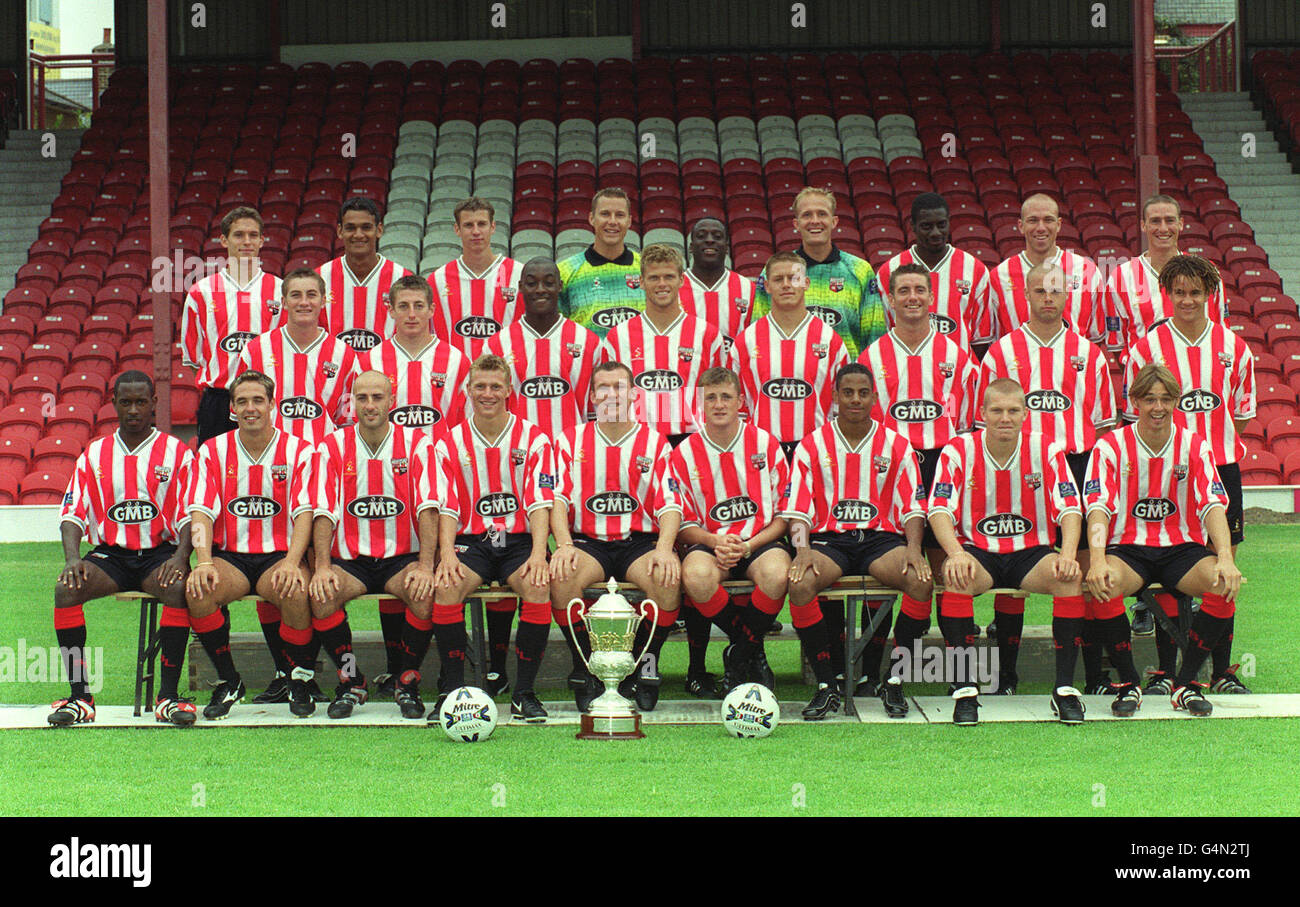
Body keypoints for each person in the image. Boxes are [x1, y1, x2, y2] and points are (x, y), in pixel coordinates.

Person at [976, 261, 1116, 693]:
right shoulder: (1002, 351)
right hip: (1019, 469)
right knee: (1009, 558)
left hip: (1075, 465)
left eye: (1057, 290)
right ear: (1027, 295)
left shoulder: (1089, 353)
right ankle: (1006, 676)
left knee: (1085, 567)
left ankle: (1093, 674)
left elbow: (1105, 424)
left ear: (1067, 294)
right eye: (1040, 291)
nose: (1049, 297)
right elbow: (984, 422)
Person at [1123, 255, 1255, 696]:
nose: (1187, 299)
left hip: (1220, 468)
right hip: (1165, 472)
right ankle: (1165, 670)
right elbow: (1133, 414)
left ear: (1209, 295)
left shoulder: (1235, 348)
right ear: (1168, 293)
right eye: (1179, 291)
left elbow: (1242, 417)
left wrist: (1210, 451)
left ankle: (1221, 671)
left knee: (1224, 566)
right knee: (1170, 563)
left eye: (1195, 292)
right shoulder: (1147, 348)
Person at [1084, 362, 1244, 717]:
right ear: (1135, 400)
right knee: (1103, 583)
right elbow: (1097, 507)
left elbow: (1213, 504)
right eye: (1150, 399)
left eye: (1166, 399)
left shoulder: (1194, 445)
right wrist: (1096, 559)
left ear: (1176, 401)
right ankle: (1128, 684)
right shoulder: (1111, 446)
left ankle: (1185, 684)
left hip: (1181, 549)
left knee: (1223, 583)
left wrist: (1224, 557)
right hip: (1129, 548)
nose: (1158, 407)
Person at [927, 379, 1089, 725]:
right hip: (978, 551)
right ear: (982, 413)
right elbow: (939, 509)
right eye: (997, 410)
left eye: (1013, 410)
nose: (1005, 418)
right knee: (957, 578)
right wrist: (955, 553)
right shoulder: (958, 450)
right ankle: (965, 690)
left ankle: (1064, 690)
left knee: (1068, 579)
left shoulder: (1046, 450)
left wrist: (1069, 555)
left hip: (1030, 552)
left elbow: (1071, 508)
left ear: (1025, 414)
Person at [783, 363, 932, 719]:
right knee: (800, 583)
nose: (855, 399)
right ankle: (826, 686)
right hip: (829, 541)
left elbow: (913, 507)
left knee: (920, 581)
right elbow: (797, 509)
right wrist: (802, 550)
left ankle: (893, 680)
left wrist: (913, 549)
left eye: (863, 393)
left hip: (880, 540)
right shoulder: (812, 445)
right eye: (848, 392)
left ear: (874, 398)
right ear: (834, 397)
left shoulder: (896, 444)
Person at [51, 371, 196, 726]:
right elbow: (72, 513)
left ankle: (168, 698)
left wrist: (180, 557)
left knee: (178, 587)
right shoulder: (94, 454)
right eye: (126, 402)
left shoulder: (175, 452)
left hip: (160, 554)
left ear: (153, 404)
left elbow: (194, 513)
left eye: (140, 402)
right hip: (111, 556)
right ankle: (80, 697)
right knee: (65, 589)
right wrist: (72, 559)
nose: (133, 409)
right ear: (114, 403)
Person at [858, 263, 978, 689]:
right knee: (894, 568)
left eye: (919, 290)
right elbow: (867, 427)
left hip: (942, 464)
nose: (912, 297)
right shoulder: (871, 358)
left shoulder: (956, 356)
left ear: (931, 297)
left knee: (947, 568)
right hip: (890, 469)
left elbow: (967, 425)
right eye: (903, 290)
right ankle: (873, 670)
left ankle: (955, 671)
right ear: (890, 299)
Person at [355, 274, 471, 695]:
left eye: (418, 306)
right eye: (402, 306)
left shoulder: (456, 360)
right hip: (389, 480)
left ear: (432, 310)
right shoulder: (370, 360)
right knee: (396, 562)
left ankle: (432, 667)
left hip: (442, 483)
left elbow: (462, 426)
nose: (411, 314)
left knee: (434, 574)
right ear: (389, 310)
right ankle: (395, 664)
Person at [183, 369, 318, 718]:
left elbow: (305, 513)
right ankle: (230, 682)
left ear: (273, 405)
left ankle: (298, 677)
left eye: (258, 400)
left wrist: (292, 562)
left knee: (296, 589)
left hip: (279, 554)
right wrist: (204, 561)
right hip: (232, 558)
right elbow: (200, 511)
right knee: (198, 591)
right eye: (242, 401)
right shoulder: (213, 451)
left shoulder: (298, 450)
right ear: (232, 408)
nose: (250, 408)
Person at [550, 361, 683, 712]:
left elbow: (670, 504)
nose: (612, 394)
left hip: (638, 543)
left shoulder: (653, 443)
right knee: (562, 576)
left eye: (619, 387)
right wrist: (563, 545)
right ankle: (587, 666)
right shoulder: (570, 440)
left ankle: (645, 664)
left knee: (667, 579)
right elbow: (557, 501)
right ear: (592, 396)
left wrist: (666, 549)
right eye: (603, 388)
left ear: (633, 395)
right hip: (588, 542)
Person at [308, 370, 440, 720]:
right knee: (321, 595)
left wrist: (427, 566)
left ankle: (406, 681)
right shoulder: (332, 446)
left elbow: (428, 507)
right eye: (361, 398)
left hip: (402, 558)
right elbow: (323, 510)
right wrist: (322, 567)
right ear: (352, 401)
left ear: (391, 401)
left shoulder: (417, 444)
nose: (369, 405)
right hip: (352, 560)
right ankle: (351, 680)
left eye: (377, 397)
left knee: (425, 593)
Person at [432, 354, 555, 723]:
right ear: (468, 391)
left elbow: (539, 502)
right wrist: (447, 556)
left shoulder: (532, 438)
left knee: (537, 585)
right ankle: (452, 693)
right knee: (447, 587)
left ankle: (523, 694)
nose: (488, 394)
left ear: (509, 391)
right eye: (480, 387)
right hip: (471, 541)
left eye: (495, 386)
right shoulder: (448, 443)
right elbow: (446, 506)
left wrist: (538, 554)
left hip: (517, 540)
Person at [672, 367, 792, 696]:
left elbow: (784, 515)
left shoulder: (765, 444)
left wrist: (749, 544)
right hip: (710, 543)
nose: (719, 404)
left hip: (760, 540)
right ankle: (750, 648)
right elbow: (681, 525)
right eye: (711, 397)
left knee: (778, 574)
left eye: (726, 396)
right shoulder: (683, 453)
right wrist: (714, 541)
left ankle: (738, 655)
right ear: (700, 404)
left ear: (740, 401)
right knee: (695, 576)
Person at [600, 243, 730, 445]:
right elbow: (608, 403)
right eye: (654, 278)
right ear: (641, 282)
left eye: (669, 276)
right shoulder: (618, 337)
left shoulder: (707, 335)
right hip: (636, 442)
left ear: (681, 280)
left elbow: (721, 395)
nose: (662, 284)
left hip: (693, 442)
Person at [735, 251, 850, 462]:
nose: (786, 284)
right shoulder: (745, 342)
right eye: (778, 279)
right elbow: (736, 403)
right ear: (767, 286)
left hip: (817, 452)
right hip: (760, 452)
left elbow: (841, 406)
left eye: (794, 278)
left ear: (806, 283)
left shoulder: (831, 341)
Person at [181, 206, 283, 443]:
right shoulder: (201, 292)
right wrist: (222, 378)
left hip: (266, 399)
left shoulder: (280, 290)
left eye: (253, 235)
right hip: (218, 400)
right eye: (239, 235)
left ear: (262, 240)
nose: (246, 241)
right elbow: (193, 359)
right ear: (224, 240)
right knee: (215, 471)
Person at [751, 187, 886, 359]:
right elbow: (759, 329)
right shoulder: (777, 270)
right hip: (792, 377)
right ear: (796, 223)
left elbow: (874, 335)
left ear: (834, 221)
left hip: (844, 379)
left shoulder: (859, 270)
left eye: (822, 214)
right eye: (807, 215)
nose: (815, 221)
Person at [238, 268, 360, 443]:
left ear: (323, 301)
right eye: (295, 295)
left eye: (311, 295)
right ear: (284, 302)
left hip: (323, 459)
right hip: (269, 458)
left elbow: (348, 421)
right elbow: (242, 416)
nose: (304, 302)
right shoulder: (255, 351)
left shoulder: (344, 354)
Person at [487, 257, 602, 441]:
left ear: (560, 286)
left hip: (575, 456)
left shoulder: (589, 342)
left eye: (548, 283)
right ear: (521, 287)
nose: (540, 289)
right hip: (518, 457)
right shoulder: (496, 345)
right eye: (532, 283)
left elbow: (599, 409)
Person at [1105, 194, 1227, 361]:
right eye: (1155, 221)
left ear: (1181, 224)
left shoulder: (1206, 271)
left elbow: (1221, 332)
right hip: (1146, 381)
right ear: (1143, 225)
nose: (1163, 229)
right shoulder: (1121, 277)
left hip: (1200, 378)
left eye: (1169, 220)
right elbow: (1118, 345)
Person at [981, 193, 1107, 348]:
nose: (1041, 228)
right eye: (1033, 220)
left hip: (1072, 369)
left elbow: (1096, 338)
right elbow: (991, 340)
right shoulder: (999, 276)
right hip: (1017, 369)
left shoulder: (1087, 271)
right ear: (1021, 226)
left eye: (1048, 220)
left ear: (1059, 224)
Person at [875, 193, 991, 356]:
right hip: (905, 372)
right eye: (927, 226)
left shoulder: (975, 269)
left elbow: (982, 340)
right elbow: (883, 333)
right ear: (913, 226)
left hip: (958, 374)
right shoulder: (889, 271)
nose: (936, 232)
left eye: (941, 225)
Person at [428, 197, 523, 361]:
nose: (476, 231)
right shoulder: (437, 280)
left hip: (507, 379)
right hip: (455, 380)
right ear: (457, 229)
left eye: (482, 224)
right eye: (468, 225)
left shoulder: (519, 275)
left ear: (492, 227)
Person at [318, 196, 415, 354]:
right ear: (339, 231)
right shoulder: (319, 278)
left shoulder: (402, 279)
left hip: (387, 375)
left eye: (366, 227)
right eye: (350, 228)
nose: (358, 234)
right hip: (333, 375)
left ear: (379, 230)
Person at [557, 188, 644, 339]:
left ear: (629, 221)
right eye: (605, 214)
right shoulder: (565, 271)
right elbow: (558, 331)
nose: (612, 221)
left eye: (620, 215)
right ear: (591, 218)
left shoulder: (647, 269)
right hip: (589, 362)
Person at [678, 217, 756, 357]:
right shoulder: (674, 289)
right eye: (701, 236)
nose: (709, 240)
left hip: (734, 376)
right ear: (690, 247)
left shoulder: (748, 289)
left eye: (717, 236)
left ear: (726, 247)